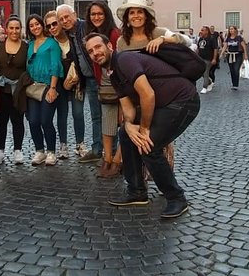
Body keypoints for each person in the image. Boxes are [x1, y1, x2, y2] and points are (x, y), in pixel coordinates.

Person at [84, 33, 200, 218]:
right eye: (90, 51)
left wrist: (144, 129)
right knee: (125, 135)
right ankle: (136, 191)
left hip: (184, 101)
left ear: (110, 47)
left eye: (98, 47)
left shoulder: (125, 61)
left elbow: (148, 95)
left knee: (148, 145)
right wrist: (129, 125)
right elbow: (128, 108)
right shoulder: (113, 73)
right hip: (165, 105)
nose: (95, 53)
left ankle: (177, 198)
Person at [115, 0, 189, 183]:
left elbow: (186, 41)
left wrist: (165, 40)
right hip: (135, 96)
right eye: (132, 13)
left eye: (140, 12)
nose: (136, 16)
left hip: (161, 95)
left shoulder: (157, 32)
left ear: (146, 16)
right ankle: (140, 180)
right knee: (138, 138)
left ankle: (164, 177)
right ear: (127, 18)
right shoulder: (122, 42)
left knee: (157, 140)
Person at [56, 4, 102, 162]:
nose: (64, 20)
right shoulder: (70, 34)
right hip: (87, 79)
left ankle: (108, 151)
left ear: (74, 14)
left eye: (67, 16)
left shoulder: (85, 27)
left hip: (99, 77)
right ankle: (98, 149)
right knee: (96, 116)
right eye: (61, 19)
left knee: (106, 115)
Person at [85, 1, 122, 179]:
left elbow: (117, 58)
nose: (96, 17)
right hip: (103, 84)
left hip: (118, 83)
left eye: (100, 13)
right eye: (93, 14)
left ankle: (117, 160)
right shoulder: (91, 35)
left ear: (106, 14)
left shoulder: (114, 34)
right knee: (107, 123)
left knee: (124, 122)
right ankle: (107, 159)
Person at [25, 14, 63, 166]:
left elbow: (55, 65)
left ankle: (52, 152)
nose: (35, 27)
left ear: (42, 25)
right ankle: (39, 150)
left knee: (46, 120)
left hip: (48, 86)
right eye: (31, 25)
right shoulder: (30, 44)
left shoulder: (52, 44)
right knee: (33, 121)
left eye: (37, 24)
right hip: (33, 87)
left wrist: (53, 88)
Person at [45, 11, 83, 159]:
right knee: (62, 114)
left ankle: (80, 144)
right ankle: (63, 145)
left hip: (76, 81)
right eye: (49, 26)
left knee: (78, 113)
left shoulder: (74, 37)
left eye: (55, 23)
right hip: (59, 83)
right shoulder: (50, 42)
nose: (52, 27)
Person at [0, 16, 27, 165]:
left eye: (17, 28)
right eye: (11, 28)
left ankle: (18, 150)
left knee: (17, 120)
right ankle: (0, 151)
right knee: (1, 121)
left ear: (21, 29)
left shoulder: (26, 46)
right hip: (0, 89)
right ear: (6, 29)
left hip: (18, 90)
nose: (14, 31)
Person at [219, 25, 249, 90]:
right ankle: (234, 84)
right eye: (230, 29)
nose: (231, 30)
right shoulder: (228, 38)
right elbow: (225, 46)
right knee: (232, 70)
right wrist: (221, 54)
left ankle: (236, 84)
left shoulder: (239, 38)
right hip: (230, 56)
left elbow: (244, 46)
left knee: (236, 69)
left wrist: (245, 55)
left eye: (232, 29)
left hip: (238, 55)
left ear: (235, 30)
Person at [196, 26, 218, 94]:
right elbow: (198, 48)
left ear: (207, 31)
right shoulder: (200, 39)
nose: (201, 31)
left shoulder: (211, 39)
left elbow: (215, 49)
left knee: (205, 72)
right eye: (201, 30)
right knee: (200, 72)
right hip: (200, 58)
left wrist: (214, 58)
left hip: (208, 59)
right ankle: (210, 81)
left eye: (202, 30)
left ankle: (204, 87)